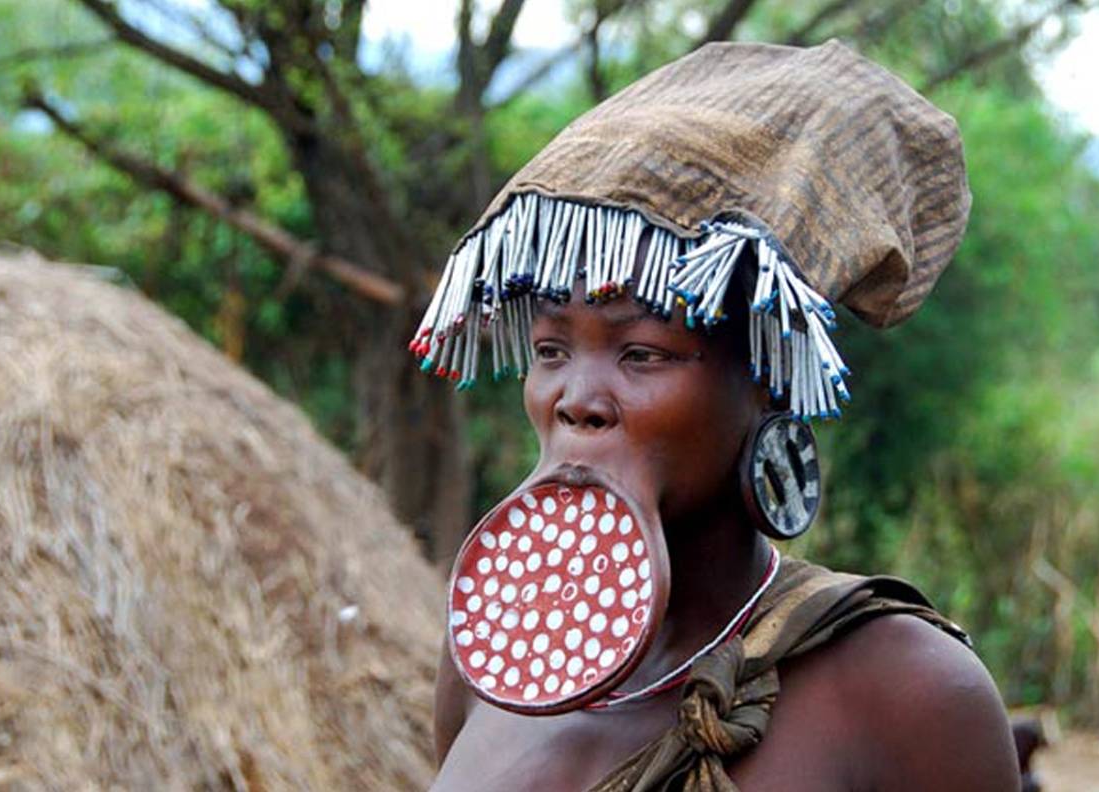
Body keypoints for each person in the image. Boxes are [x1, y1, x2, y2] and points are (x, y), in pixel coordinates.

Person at [413, 40, 1021, 791]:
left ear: (767, 380)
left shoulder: (905, 692)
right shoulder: (496, 658)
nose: (575, 399)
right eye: (550, 350)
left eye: (642, 353)